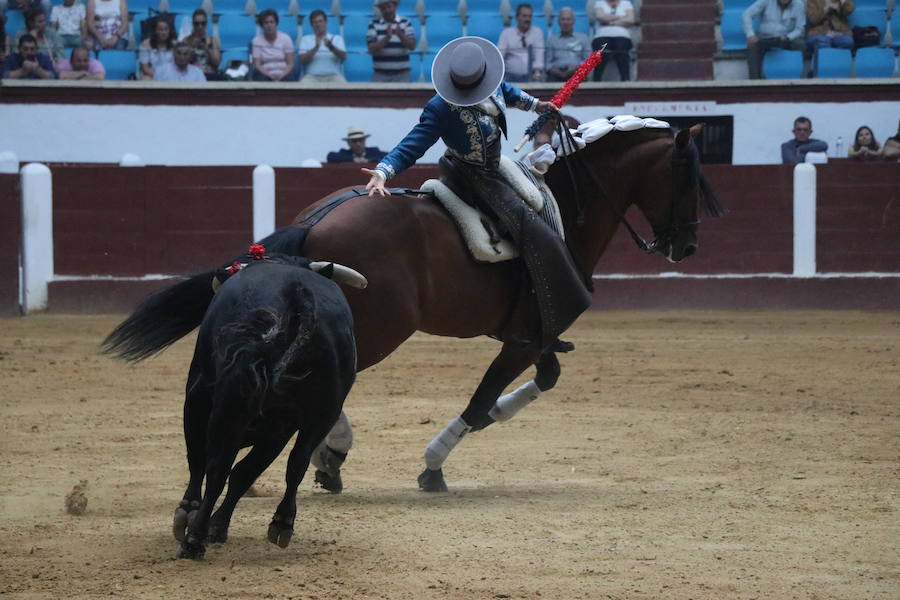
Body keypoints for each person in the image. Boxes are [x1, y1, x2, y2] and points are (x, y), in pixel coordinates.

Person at [363, 37, 593, 350]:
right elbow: (413, 143)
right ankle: (539, 318)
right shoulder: (440, 108)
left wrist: (537, 105)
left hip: (496, 166)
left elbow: (509, 93)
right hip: (471, 176)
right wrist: (382, 171)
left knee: (539, 202)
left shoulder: (492, 84)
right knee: (532, 230)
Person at [742, 0, 806, 80]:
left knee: (801, 44)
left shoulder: (799, 4)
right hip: (766, 38)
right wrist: (750, 34)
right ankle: (755, 81)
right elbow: (746, 14)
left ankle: (801, 78)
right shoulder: (766, 1)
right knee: (753, 45)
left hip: (785, 39)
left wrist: (788, 37)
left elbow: (799, 29)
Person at [367, 0, 416, 83]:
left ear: (395, 6)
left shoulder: (405, 22)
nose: (387, 10)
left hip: (402, 74)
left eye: (389, 7)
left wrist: (401, 36)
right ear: (380, 9)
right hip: (380, 74)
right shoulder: (373, 24)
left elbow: (412, 46)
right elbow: (371, 49)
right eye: (383, 8)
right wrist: (387, 38)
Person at [498, 3, 544, 82]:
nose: (528, 19)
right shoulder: (506, 33)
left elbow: (539, 54)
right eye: (524, 16)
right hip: (510, 76)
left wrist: (537, 72)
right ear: (517, 18)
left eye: (530, 16)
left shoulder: (537, 33)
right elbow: (500, 56)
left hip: (532, 76)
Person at [298, 9, 346, 83]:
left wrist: (332, 47)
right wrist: (315, 48)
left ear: (326, 22)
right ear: (311, 25)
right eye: (315, 22)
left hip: (333, 76)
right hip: (311, 77)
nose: (318, 24)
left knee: (345, 88)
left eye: (320, 21)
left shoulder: (337, 38)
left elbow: (344, 57)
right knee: (301, 88)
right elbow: (301, 61)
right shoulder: (305, 39)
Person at [591, 0, 634, 81]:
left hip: (622, 35)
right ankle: (596, 80)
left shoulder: (626, 3)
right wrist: (621, 17)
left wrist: (610, 22)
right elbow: (600, 17)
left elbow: (630, 20)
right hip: (602, 35)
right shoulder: (600, 3)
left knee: (621, 50)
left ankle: (625, 80)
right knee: (601, 50)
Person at [545, 7, 589, 83]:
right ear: (558, 22)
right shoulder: (551, 40)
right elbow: (547, 62)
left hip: (577, 73)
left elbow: (587, 60)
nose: (565, 22)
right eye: (563, 19)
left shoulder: (583, 38)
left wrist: (576, 68)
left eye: (568, 19)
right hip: (556, 74)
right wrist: (557, 72)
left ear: (573, 21)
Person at [251, 9, 296, 82]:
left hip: (284, 73)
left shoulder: (286, 38)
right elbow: (257, 64)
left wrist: (281, 76)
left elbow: (291, 64)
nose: (269, 25)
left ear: (276, 23)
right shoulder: (256, 41)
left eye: (272, 22)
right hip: (264, 73)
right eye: (266, 23)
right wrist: (270, 76)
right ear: (262, 25)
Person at [181, 8, 221, 81]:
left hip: (209, 75)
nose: (200, 27)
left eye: (203, 23)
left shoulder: (213, 40)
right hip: (191, 75)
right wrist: (192, 48)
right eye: (197, 24)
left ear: (206, 23)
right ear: (193, 24)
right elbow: (182, 62)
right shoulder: (186, 41)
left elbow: (216, 63)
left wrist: (207, 49)